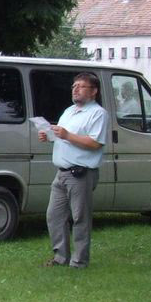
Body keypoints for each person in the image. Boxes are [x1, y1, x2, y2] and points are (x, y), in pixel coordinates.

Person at [40, 72, 108, 268]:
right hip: (61, 173)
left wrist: (67, 135)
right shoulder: (69, 111)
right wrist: (49, 136)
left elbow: (95, 143)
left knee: (80, 218)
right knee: (54, 216)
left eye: (81, 86)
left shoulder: (98, 114)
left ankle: (79, 261)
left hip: (80, 174)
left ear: (93, 91)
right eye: (74, 86)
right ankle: (60, 257)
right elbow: (62, 136)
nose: (75, 89)